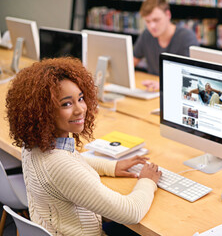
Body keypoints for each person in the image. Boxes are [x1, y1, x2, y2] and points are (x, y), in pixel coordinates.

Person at [5, 57, 162, 236]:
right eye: (67, 104)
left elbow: (72, 160)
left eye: (80, 98)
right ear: (43, 111)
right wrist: (147, 181)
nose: (80, 109)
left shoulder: (32, 145)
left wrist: (113, 166)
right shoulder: (59, 165)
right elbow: (130, 212)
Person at [133, 0, 199, 90]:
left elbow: (192, 78)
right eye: (147, 21)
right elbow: (131, 61)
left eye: (156, 20)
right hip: (153, 90)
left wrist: (163, 84)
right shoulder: (147, 35)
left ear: (168, 15)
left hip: (176, 91)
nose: (152, 26)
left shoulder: (186, 37)